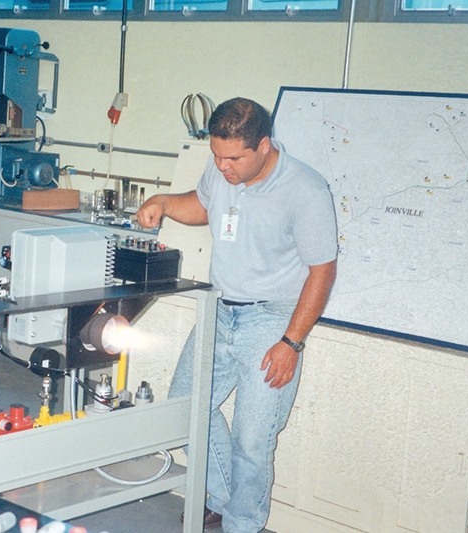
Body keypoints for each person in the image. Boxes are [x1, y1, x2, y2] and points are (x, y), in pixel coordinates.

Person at [137, 97, 338, 532]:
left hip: (272, 323)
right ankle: (228, 502)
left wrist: (291, 342)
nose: (222, 167)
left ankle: (241, 525)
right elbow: (204, 205)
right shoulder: (222, 167)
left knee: (252, 440)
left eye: (233, 158)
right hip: (219, 312)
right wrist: (164, 202)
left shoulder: (305, 189)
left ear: (264, 146)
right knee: (185, 409)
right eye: (216, 156)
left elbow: (323, 271)